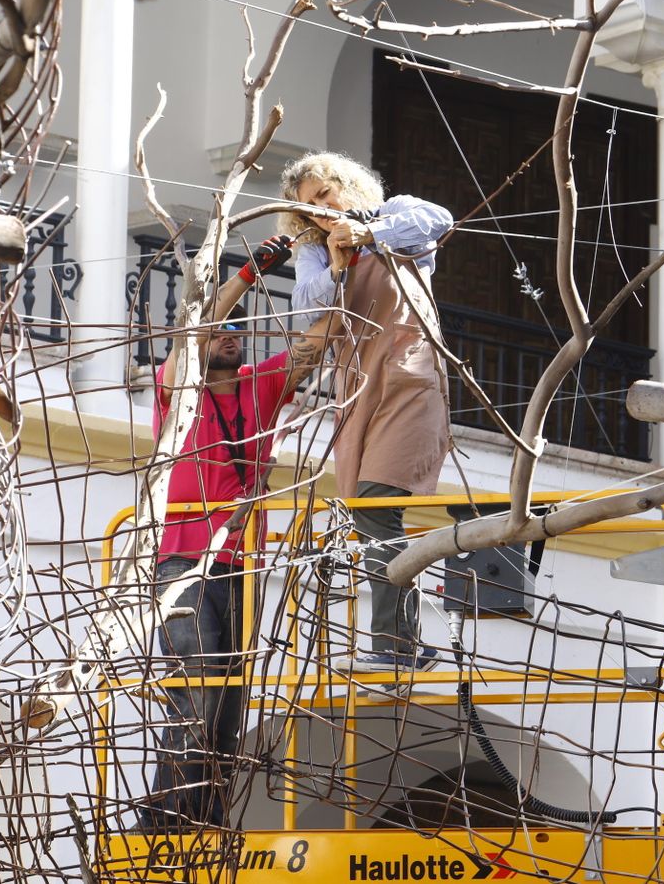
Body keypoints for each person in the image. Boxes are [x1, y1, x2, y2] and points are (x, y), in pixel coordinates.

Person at [141, 233, 332, 831]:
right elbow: (193, 331)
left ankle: (206, 824)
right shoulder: (178, 388)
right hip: (181, 562)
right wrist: (248, 274)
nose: (231, 334)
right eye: (225, 330)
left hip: (241, 562)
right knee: (196, 695)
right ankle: (167, 825)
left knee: (228, 709)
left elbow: (316, 344)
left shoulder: (262, 385)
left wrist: (338, 262)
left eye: (238, 330)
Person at [278, 151, 454, 674]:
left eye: (324, 196)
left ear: (347, 186)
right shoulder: (313, 252)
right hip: (358, 387)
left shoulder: (394, 213)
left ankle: (394, 644)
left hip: (408, 376)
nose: (320, 211)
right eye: (309, 208)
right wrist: (337, 261)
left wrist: (366, 234)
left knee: (377, 505)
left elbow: (435, 222)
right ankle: (404, 644)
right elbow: (309, 306)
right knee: (363, 512)